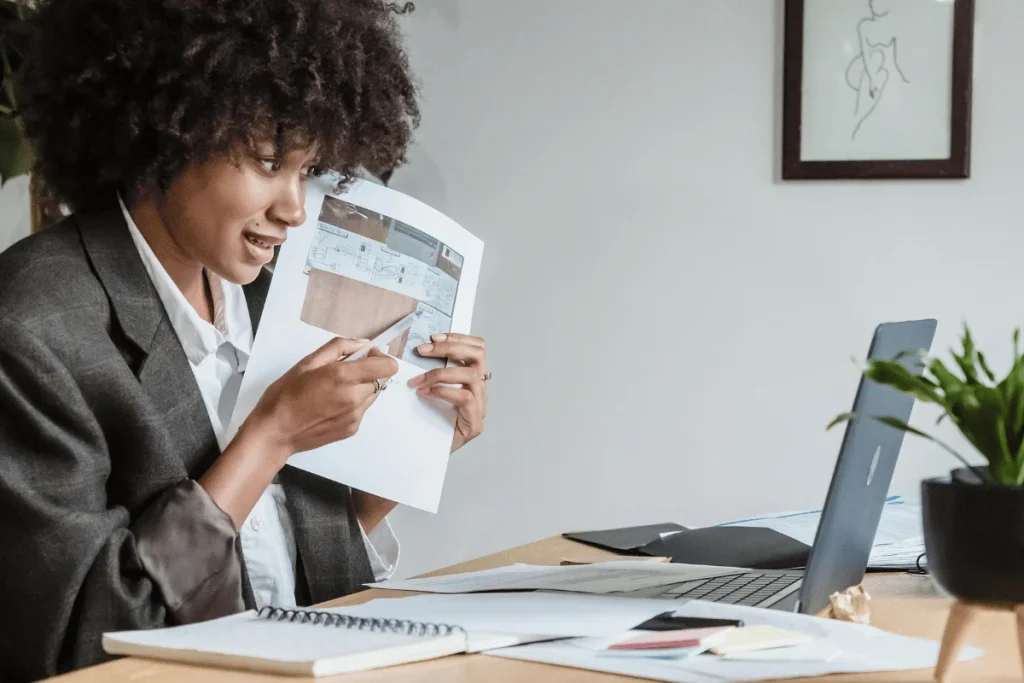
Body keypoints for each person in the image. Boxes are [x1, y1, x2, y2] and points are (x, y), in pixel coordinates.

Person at [0, 0, 489, 679]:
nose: (294, 208)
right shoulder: (31, 327)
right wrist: (272, 437)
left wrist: (413, 448)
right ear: (165, 137)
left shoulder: (270, 293)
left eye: (309, 170)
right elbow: (77, 644)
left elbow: (288, 583)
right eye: (266, 161)